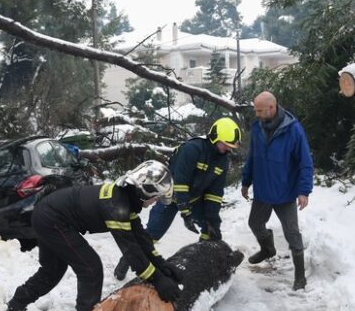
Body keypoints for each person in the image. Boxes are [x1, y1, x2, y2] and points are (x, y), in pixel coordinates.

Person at [6, 160, 183, 311]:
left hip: (47, 215)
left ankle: (16, 305)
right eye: (157, 197)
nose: (156, 201)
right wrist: (157, 279)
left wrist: (161, 264)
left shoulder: (125, 200)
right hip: (52, 219)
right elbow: (131, 251)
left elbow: (141, 240)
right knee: (90, 268)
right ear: (146, 190)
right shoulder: (118, 207)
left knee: (52, 271)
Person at [114, 117, 242, 280]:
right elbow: (181, 182)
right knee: (152, 233)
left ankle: (202, 259)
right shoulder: (192, 149)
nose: (227, 150)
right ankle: (127, 260)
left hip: (195, 198)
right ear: (215, 137)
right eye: (225, 145)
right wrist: (185, 212)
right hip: (170, 196)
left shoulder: (222, 160)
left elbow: (215, 194)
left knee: (211, 231)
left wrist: (213, 220)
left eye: (230, 147)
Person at [241, 91, 313, 291]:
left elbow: (305, 163)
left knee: (292, 233)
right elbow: (252, 157)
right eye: (255, 110)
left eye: (260, 110)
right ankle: (268, 249)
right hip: (263, 190)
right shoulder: (257, 128)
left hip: (285, 193)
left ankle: (300, 276)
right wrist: (246, 181)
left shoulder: (294, 130)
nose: (256, 114)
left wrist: (304, 191)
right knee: (255, 223)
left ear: (272, 108)